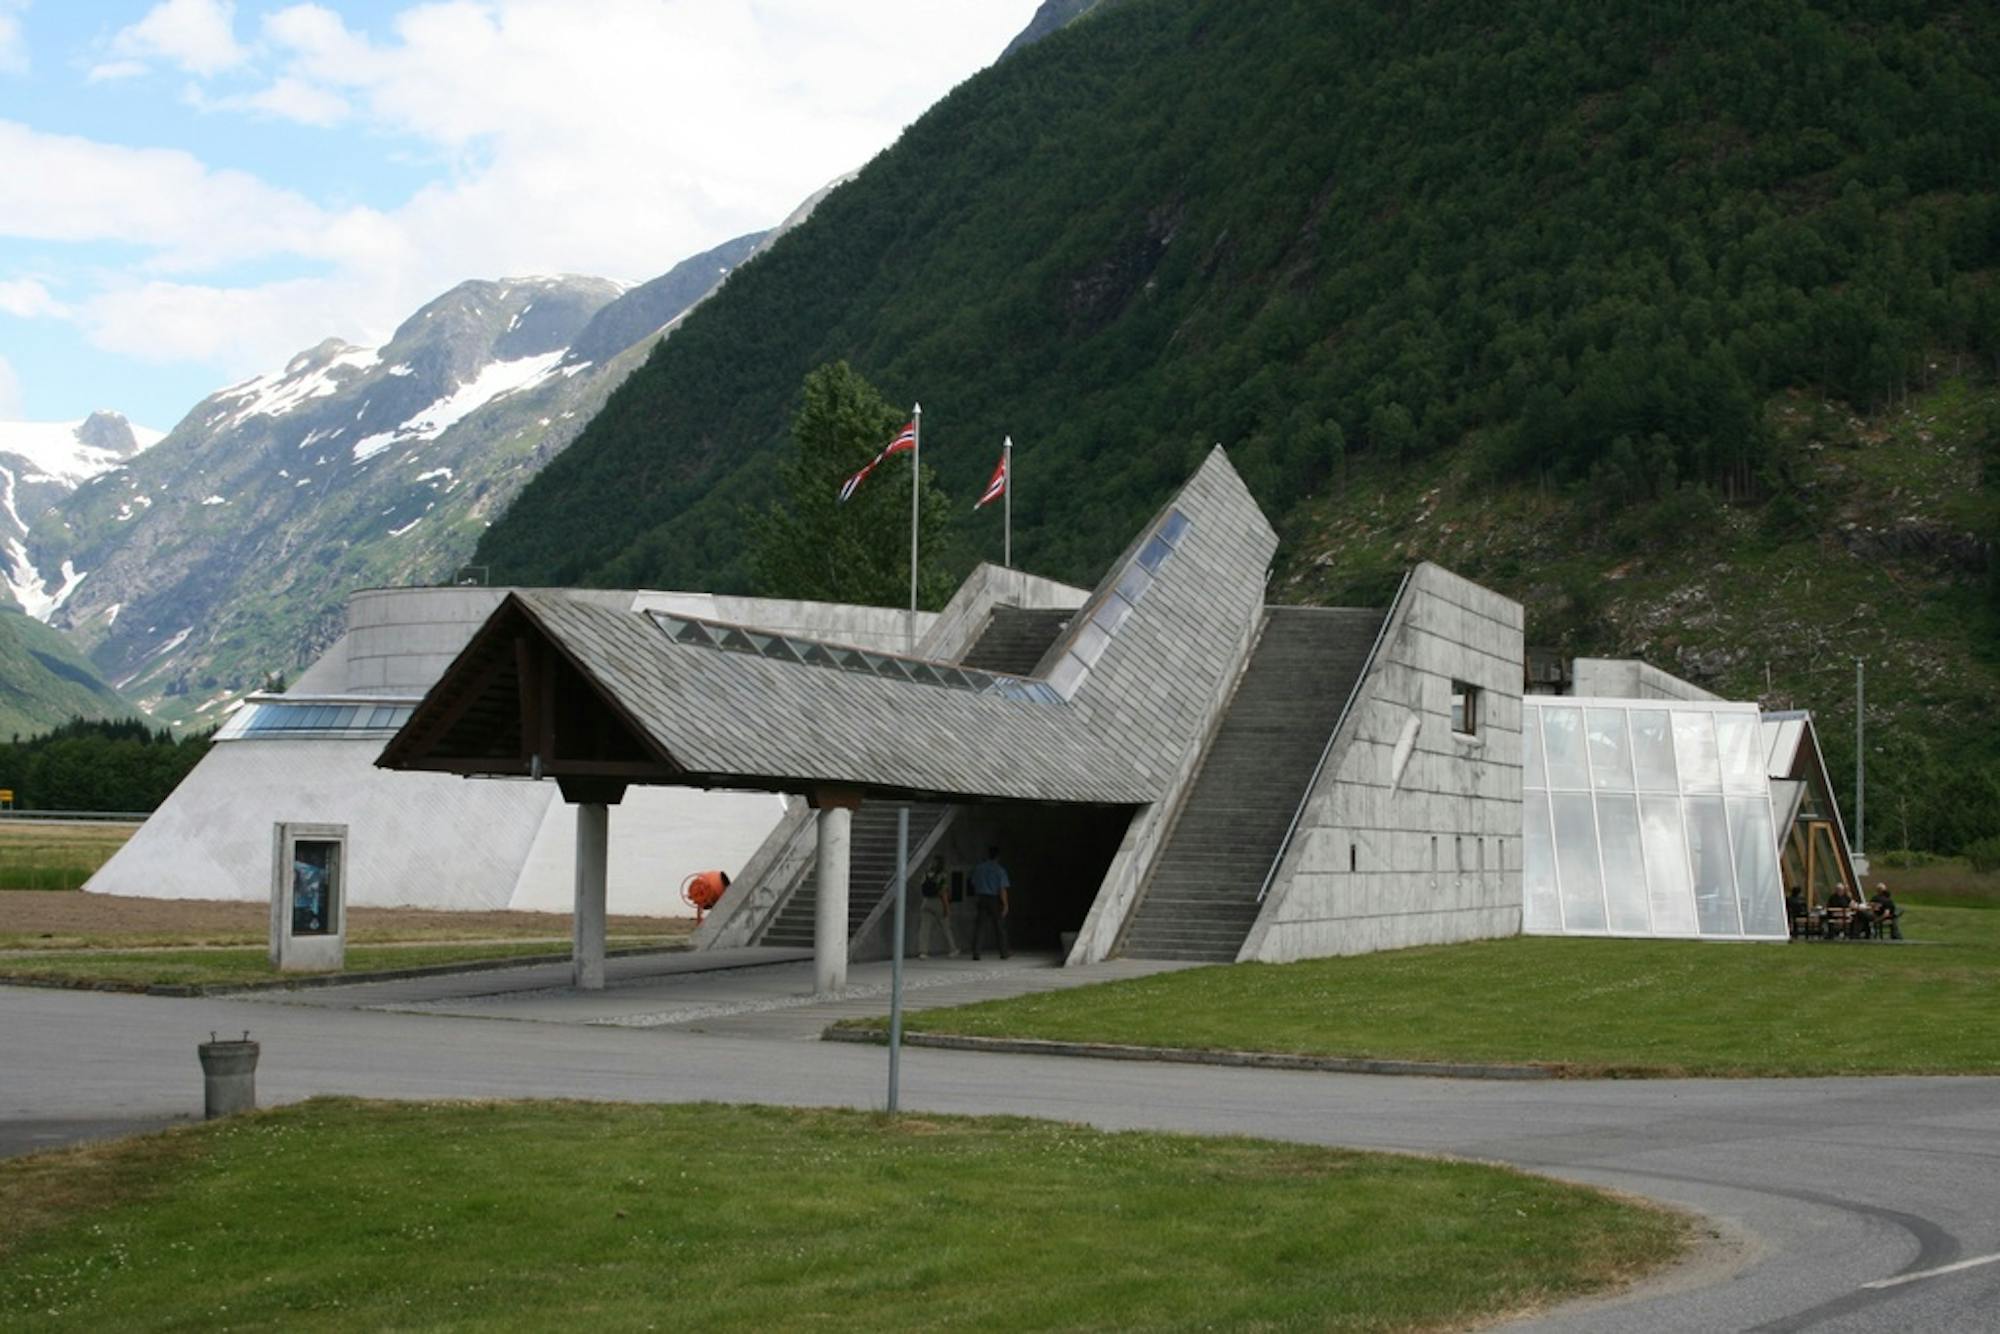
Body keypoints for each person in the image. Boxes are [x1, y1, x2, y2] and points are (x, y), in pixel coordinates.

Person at [968, 846, 1011, 960]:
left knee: (980, 927)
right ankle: (1004, 952)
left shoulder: (979, 868)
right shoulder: (1000, 870)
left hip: (981, 898)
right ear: (998, 857)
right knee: (999, 927)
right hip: (994, 899)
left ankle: (976, 952)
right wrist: (1005, 904)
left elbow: (973, 883)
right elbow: (1002, 889)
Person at [916, 854, 958, 959]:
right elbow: (943, 893)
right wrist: (947, 908)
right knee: (946, 927)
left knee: (924, 928)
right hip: (938, 902)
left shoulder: (926, 873)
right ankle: (953, 949)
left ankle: (923, 952)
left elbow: (922, 887)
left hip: (925, 902)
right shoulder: (942, 875)